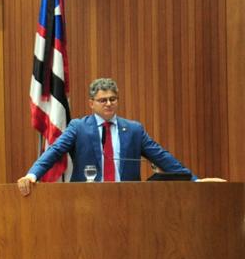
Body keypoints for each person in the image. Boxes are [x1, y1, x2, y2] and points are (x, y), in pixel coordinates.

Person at [18, 77, 197, 195]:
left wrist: (193, 179)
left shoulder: (134, 129)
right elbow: (55, 151)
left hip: (129, 198)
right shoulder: (78, 127)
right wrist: (32, 175)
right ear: (91, 103)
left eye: (113, 99)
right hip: (87, 199)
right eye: (103, 100)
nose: (108, 104)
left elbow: (161, 156)